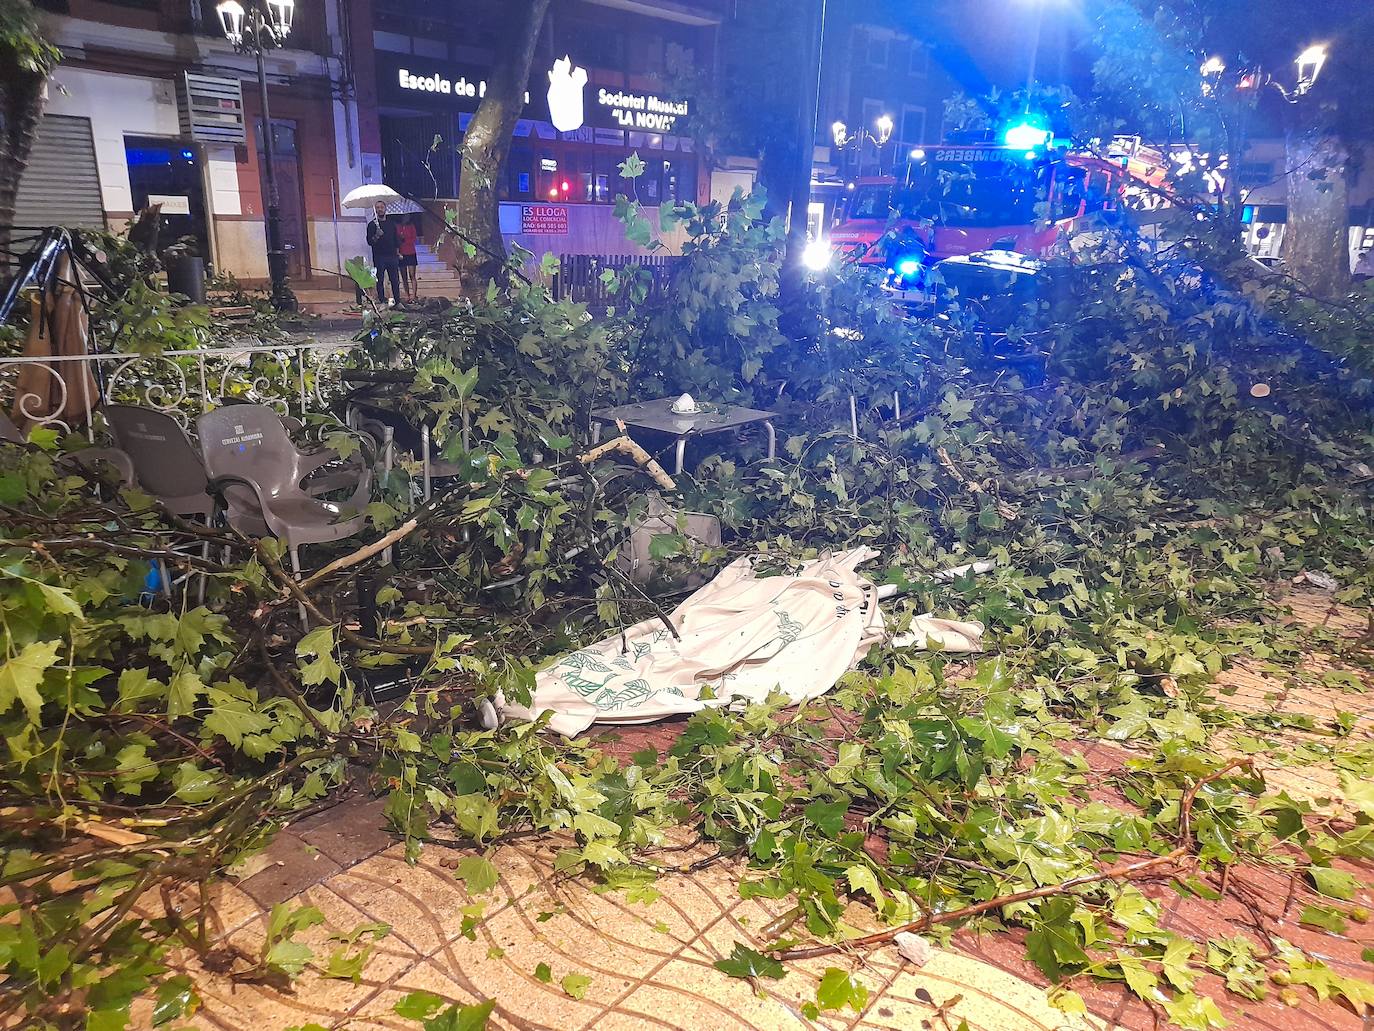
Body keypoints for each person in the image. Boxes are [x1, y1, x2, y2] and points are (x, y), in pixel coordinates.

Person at [366, 200, 401, 307]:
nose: (380, 209)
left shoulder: (392, 224)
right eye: (377, 207)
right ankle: (382, 301)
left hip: (392, 256)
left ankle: (397, 302)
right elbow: (369, 242)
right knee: (380, 280)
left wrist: (398, 253)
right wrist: (377, 235)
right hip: (379, 256)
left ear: (385, 209)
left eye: (381, 207)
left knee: (395, 280)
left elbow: (396, 240)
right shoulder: (372, 225)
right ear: (375, 210)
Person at [397, 214, 419, 303]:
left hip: (411, 252)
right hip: (402, 252)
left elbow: (414, 238)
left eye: (408, 216)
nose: (406, 218)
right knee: (404, 276)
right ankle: (407, 294)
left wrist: (405, 239)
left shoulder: (411, 226)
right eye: (404, 216)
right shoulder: (398, 227)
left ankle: (414, 294)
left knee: (412, 275)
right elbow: (396, 238)